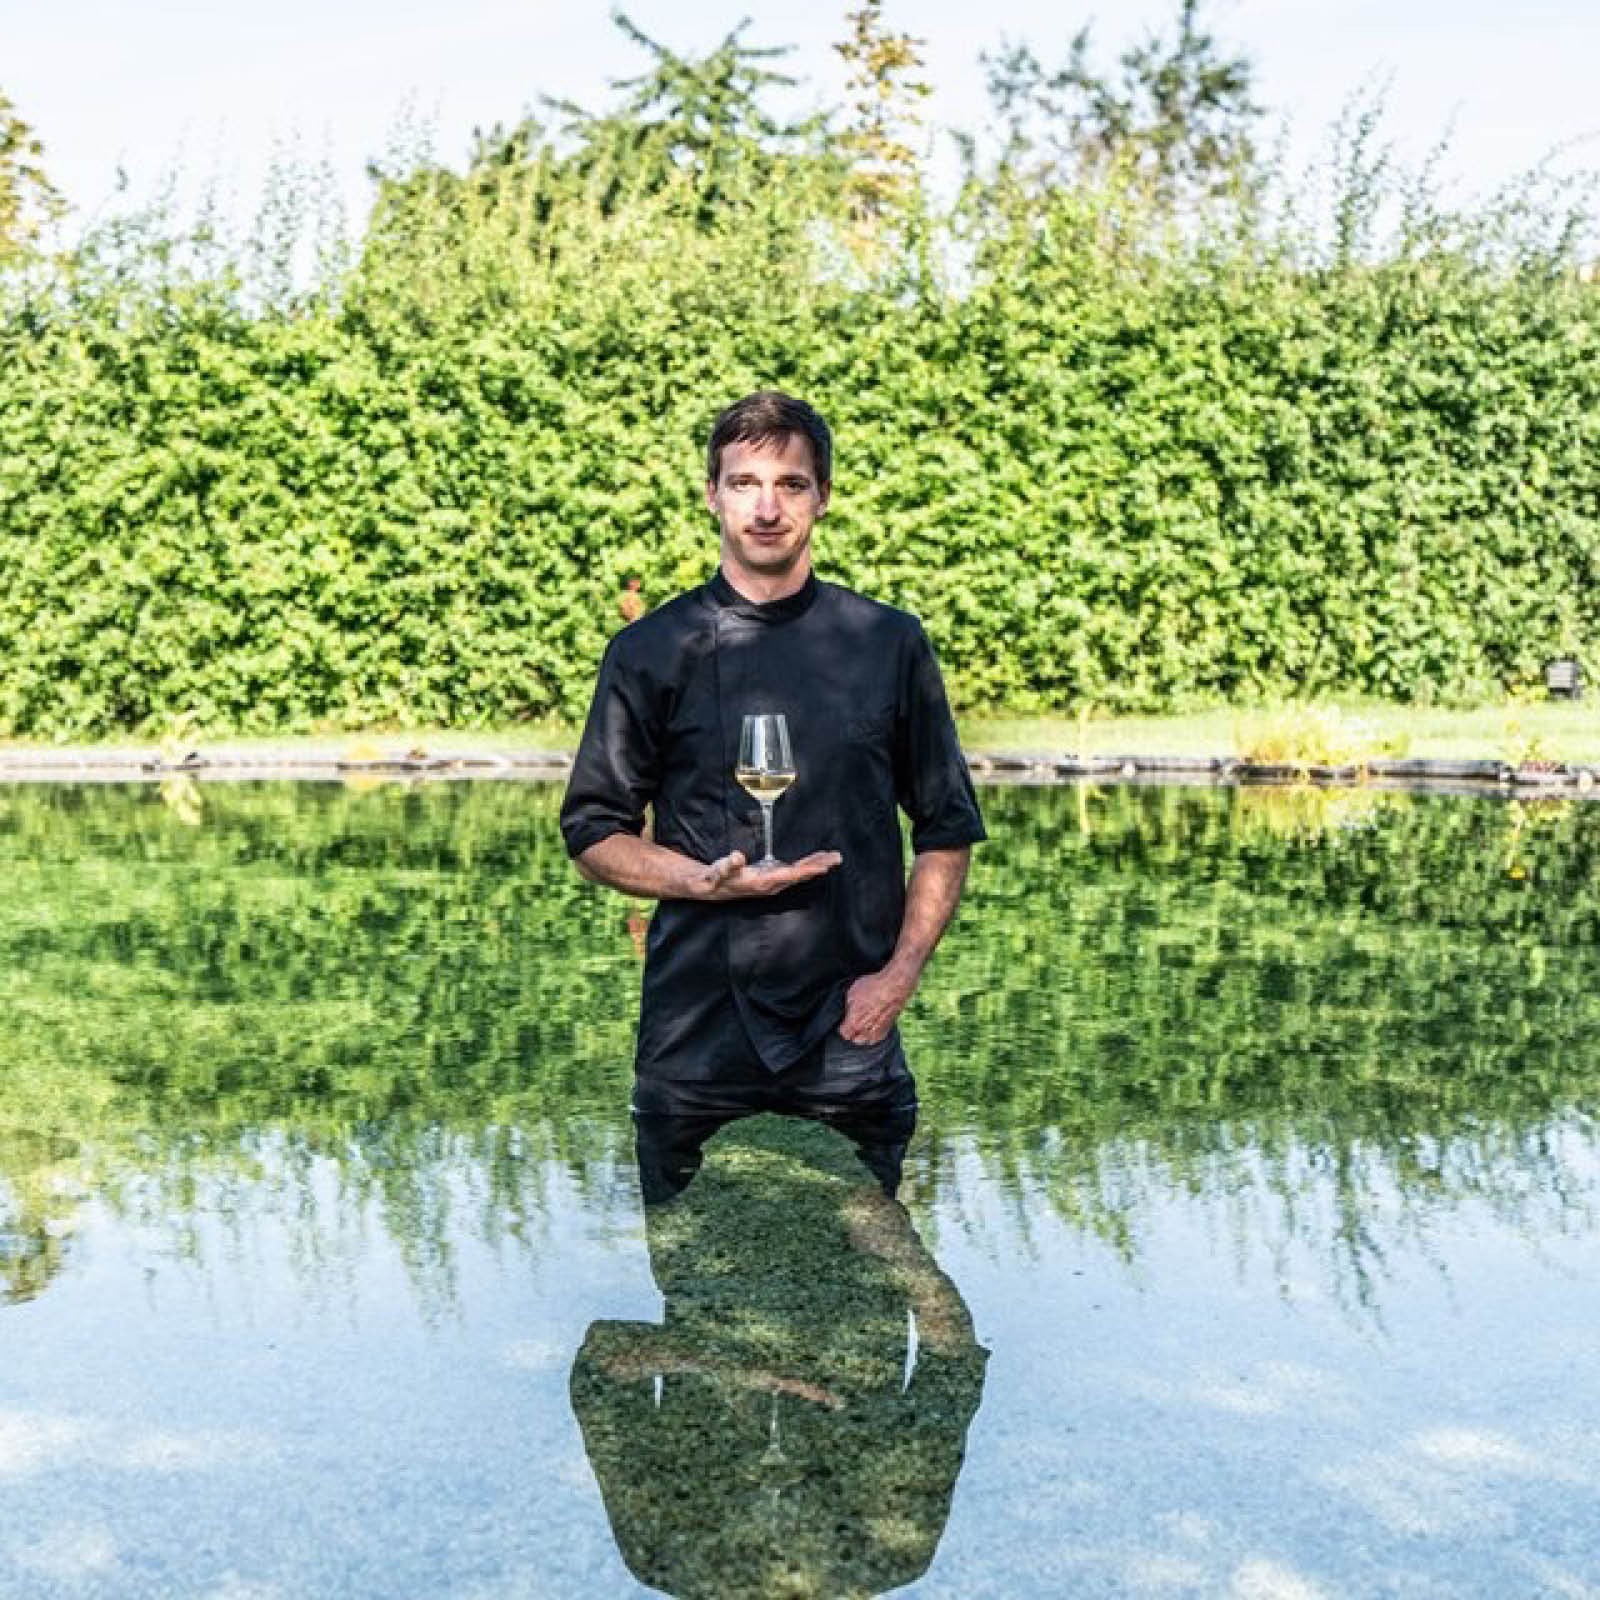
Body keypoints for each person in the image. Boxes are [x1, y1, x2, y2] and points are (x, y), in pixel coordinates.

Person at [559, 391, 985, 1203]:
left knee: (866, 1278)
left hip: (849, 1033)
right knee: (693, 1274)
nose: (766, 508)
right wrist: (700, 881)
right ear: (712, 494)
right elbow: (592, 833)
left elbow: (946, 827)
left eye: (791, 484)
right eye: (744, 483)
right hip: (694, 1034)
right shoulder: (650, 650)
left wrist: (898, 977)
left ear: (823, 497)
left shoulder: (887, 642)